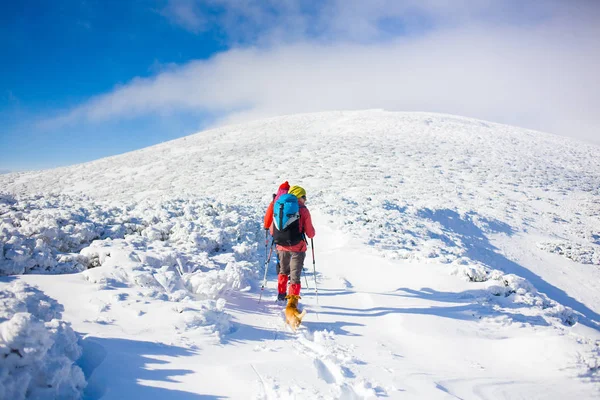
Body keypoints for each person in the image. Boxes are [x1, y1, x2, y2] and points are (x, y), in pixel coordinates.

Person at [270, 185, 315, 302]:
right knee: (295, 276)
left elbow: (272, 230)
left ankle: (281, 295)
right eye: (304, 196)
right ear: (300, 196)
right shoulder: (303, 210)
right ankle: (292, 303)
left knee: (283, 271)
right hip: (297, 248)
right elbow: (310, 233)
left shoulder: (279, 206)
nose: (305, 199)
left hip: (281, 246)